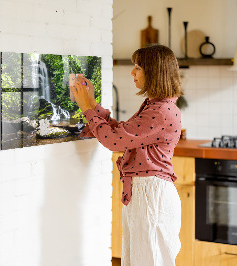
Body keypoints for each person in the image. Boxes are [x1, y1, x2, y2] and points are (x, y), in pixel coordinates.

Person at [71, 44, 183, 266]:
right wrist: (92, 103)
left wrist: (86, 108)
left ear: (154, 72)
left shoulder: (160, 111)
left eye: (138, 67)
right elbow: (122, 133)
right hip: (146, 193)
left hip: (151, 195)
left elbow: (114, 141)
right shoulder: (156, 106)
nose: (132, 72)